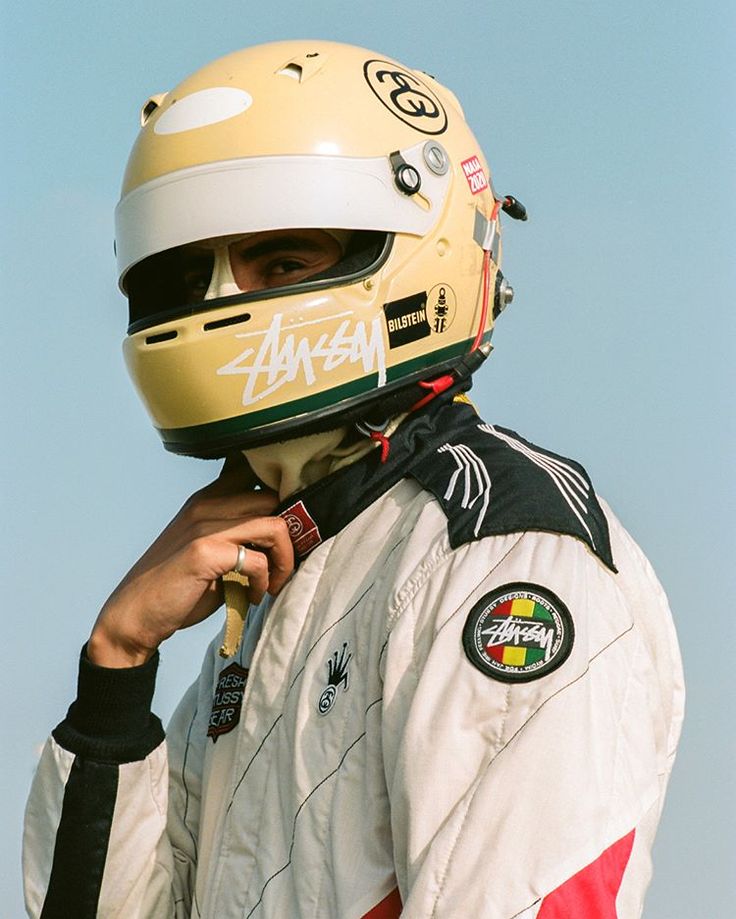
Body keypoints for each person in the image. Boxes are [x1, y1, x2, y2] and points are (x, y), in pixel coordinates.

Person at [23, 40, 684, 919]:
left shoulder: (501, 551)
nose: (224, 303)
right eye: (192, 273)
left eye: (281, 263)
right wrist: (117, 664)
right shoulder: (272, 590)